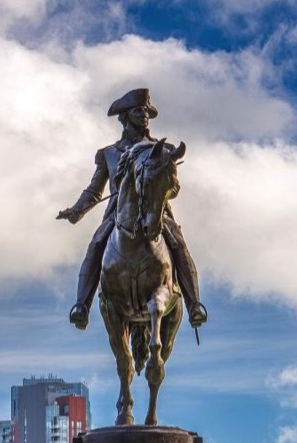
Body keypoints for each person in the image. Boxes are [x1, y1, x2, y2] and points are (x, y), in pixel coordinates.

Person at [57, 88, 206, 330]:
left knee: (178, 244)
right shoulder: (108, 153)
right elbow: (95, 190)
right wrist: (76, 210)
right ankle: (81, 306)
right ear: (125, 117)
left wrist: (161, 190)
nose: (145, 115)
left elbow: (174, 187)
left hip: (155, 211)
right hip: (118, 213)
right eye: (139, 111)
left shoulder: (162, 150)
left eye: (147, 111)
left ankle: (194, 305)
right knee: (96, 245)